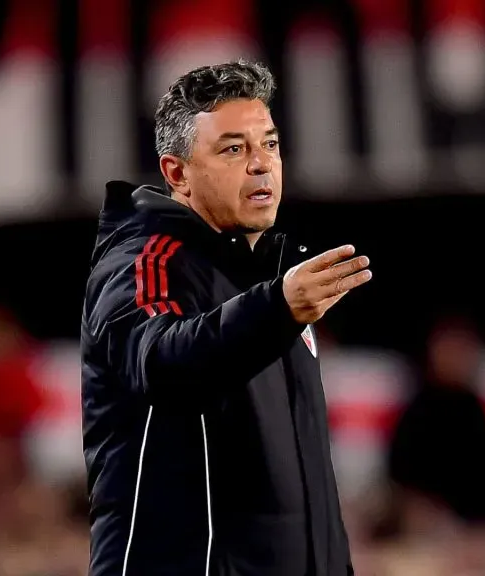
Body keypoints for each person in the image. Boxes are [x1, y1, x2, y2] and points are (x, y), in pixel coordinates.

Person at [80, 60, 372, 576]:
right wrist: (277, 308)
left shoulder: (271, 279)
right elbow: (162, 364)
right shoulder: (145, 261)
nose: (262, 165)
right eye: (234, 149)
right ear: (177, 173)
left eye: (271, 145)